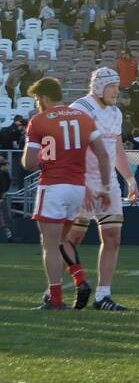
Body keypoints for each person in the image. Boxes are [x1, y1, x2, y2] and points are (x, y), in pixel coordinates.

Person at [23, 78, 112, 310]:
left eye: (36, 99)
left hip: (53, 186)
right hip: (77, 187)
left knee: (49, 244)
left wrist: (43, 155)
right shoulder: (83, 117)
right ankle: (80, 280)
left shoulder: (38, 121)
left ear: (44, 97)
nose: (36, 103)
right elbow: (103, 155)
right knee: (63, 239)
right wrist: (103, 186)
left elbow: (29, 162)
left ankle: (55, 299)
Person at [64, 68, 138, 311]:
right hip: (83, 182)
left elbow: (116, 148)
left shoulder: (115, 112)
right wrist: (79, 182)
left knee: (113, 237)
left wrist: (129, 178)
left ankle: (102, 296)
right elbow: (71, 149)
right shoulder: (80, 108)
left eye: (118, 87)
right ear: (98, 87)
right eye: (112, 87)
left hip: (109, 184)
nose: (117, 91)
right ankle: (55, 290)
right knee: (71, 239)